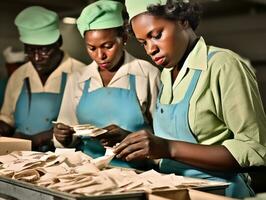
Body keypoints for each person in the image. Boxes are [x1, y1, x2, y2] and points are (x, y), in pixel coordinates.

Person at [113, 0, 266, 198]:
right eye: (144, 42)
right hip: (173, 190)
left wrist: (168, 148)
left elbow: (255, 149)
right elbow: (171, 142)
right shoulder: (167, 74)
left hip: (219, 193)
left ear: (183, 20)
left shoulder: (223, 65)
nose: (151, 49)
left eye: (157, 35)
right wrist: (132, 140)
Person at [53, 0, 160, 170]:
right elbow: (67, 130)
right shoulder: (78, 78)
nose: (100, 55)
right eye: (91, 48)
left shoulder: (147, 73)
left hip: (136, 173)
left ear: (124, 38)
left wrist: (130, 138)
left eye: (107, 46)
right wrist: (62, 137)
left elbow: (162, 136)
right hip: (86, 170)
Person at [0, 6, 85, 152]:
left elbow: (86, 127)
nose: (37, 58)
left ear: (59, 42)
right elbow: (7, 119)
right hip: (19, 157)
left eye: (44, 50)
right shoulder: (19, 75)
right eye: (31, 50)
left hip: (64, 160)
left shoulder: (81, 73)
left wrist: (39, 139)